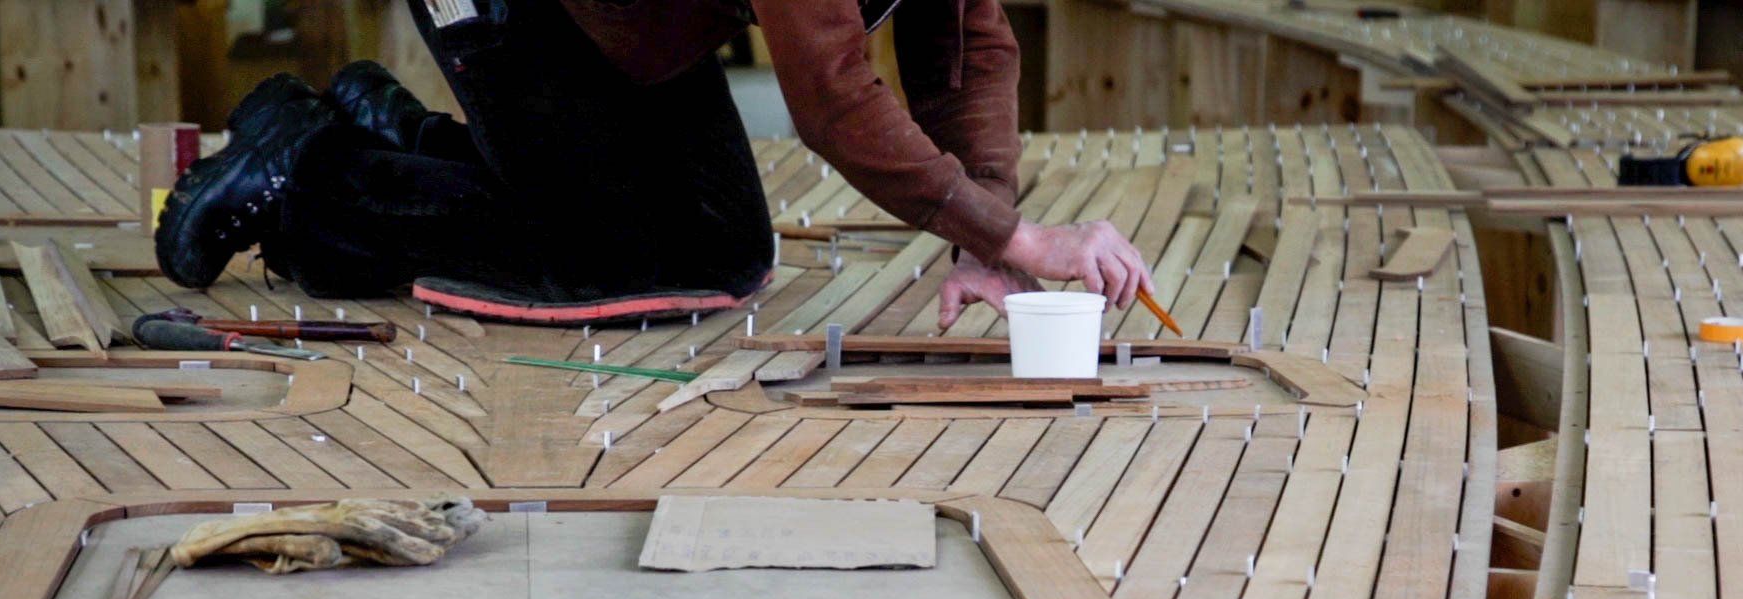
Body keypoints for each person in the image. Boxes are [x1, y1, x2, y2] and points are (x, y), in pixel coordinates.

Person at [156, 0, 1155, 328]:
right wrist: (1023, 238)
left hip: (624, 24)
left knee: (721, 250)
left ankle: (396, 139)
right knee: (608, 261)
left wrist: (990, 233)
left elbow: (967, 45)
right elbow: (830, 93)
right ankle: (313, 175)